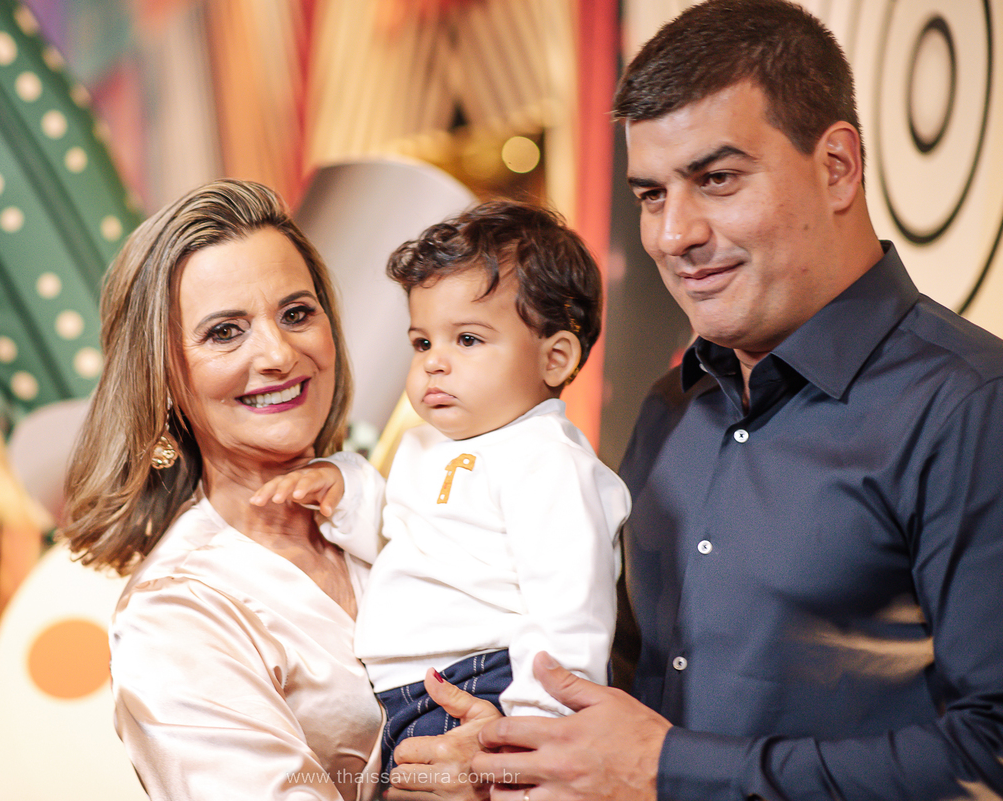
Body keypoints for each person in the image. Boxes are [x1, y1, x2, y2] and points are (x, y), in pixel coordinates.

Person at [399, 1, 1003, 798]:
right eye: (651, 194)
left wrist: (669, 769)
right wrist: (507, 748)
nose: (673, 234)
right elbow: (613, 696)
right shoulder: (671, 407)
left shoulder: (971, 406)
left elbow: (990, 753)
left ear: (837, 167)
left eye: (716, 179)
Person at [254, 201, 629, 774]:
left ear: (555, 358)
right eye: (422, 343)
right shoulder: (428, 446)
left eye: (468, 340)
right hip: (407, 694)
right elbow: (396, 540)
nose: (434, 363)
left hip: (485, 685)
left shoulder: (549, 460)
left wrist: (536, 734)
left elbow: (570, 609)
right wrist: (344, 489)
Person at [60, 179, 386, 801]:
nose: (278, 353)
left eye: (296, 314)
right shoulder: (174, 614)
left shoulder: (403, 508)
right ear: (162, 377)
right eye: (224, 332)